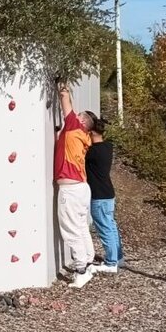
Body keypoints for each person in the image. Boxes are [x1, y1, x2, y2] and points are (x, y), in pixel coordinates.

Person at [53, 81, 95, 288]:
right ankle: (88, 261)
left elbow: (64, 100)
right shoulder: (83, 136)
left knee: (70, 229)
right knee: (80, 226)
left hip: (70, 189)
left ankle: (81, 270)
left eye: (79, 115)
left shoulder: (74, 126)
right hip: (81, 187)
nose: (74, 115)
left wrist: (63, 85)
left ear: (82, 121)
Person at [84, 112, 122, 274]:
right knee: (111, 226)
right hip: (108, 194)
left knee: (105, 228)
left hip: (98, 196)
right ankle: (118, 258)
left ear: (91, 133)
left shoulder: (91, 153)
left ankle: (111, 262)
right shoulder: (108, 147)